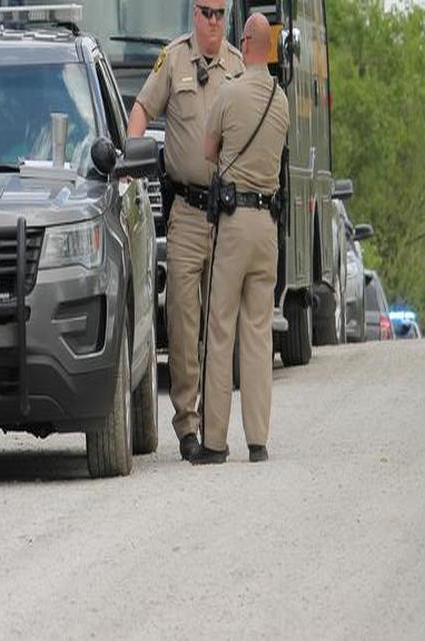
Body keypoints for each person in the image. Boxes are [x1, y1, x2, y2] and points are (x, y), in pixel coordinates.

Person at [128, 0, 244, 459]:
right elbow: (140, 110)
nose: (213, 21)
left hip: (227, 214)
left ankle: (215, 428)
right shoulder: (173, 59)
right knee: (181, 320)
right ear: (193, 14)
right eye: (206, 12)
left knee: (220, 323)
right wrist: (129, 166)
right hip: (186, 214)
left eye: (220, 13)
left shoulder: (238, 66)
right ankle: (186, 426)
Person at [193, 12, 289, 464]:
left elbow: (208, 153)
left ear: (245, 42)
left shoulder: (229, 93)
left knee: (220, 329)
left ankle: (213, 440)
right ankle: (259, 440)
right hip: (267, 228)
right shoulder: (282, 100)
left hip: (232, 225)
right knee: (258, 335)